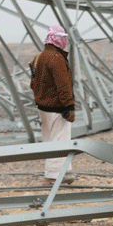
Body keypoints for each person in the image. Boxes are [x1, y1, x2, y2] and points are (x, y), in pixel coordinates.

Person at [30, 25, 76, 185]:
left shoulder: (38, 57)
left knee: (50, 139)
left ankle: (64, 172)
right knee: (60, 140)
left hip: (43, 107)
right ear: (57, 39)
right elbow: (63, 85)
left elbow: (33, 83)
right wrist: (69, 106)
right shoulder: (56, 58)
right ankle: (53, 176)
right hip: (57, 107)